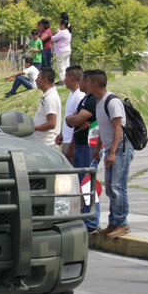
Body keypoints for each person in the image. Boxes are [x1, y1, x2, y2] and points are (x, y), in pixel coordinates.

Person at [88, 69, 133, 238]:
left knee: (117, 187)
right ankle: (114, 222)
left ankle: (122, 223)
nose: (85, 84)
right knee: (110, 188)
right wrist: (98, 147)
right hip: (109, 149)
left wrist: (112, 152)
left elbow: (117, 128)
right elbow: (103, 128)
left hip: (120, 149)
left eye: (87, 81)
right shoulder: (99, 102)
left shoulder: (112, 101)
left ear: (95, 84)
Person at [65, 70, 100, 233]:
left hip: (89, 147)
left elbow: (77, 119)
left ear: (89, 82)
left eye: (84, 81)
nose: (82, 83)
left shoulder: (92, 100)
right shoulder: (84, 99)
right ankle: (84, 218)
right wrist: (74, 120)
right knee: (80, 185)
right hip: (79, 145)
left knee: (88, 185)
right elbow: (70, 119)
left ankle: (92, 222)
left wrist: (76, 120)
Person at [54, 65, 84, 163]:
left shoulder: (80, 95)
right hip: (66, 140)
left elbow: (78, 121)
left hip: (72, 142)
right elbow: (69, 116)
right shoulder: (72, 94)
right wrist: (62, 133)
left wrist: (71, 147)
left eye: (65, 77)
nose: (64, 80)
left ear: (71, 78)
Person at [31, 68, 61, 148]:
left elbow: (51, 124)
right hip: (41, 143)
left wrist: (31, 128)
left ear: (45, 80)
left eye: (38, 78)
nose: (36, 80)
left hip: (47, 144)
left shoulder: (50, 98)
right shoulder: (47, 96)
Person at [51, 13, 72, 83]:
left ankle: (62, 80)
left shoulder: (63, 30)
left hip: (61, 50)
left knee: (61, 65)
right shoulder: (67, 31)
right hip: (67, 49)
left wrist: (56, 34)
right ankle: (67, 79)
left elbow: (54, 38)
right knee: (66, 64)